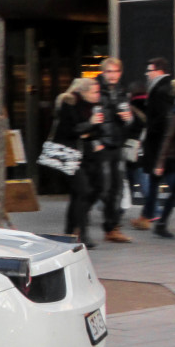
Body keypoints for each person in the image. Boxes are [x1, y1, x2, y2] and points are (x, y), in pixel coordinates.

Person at [54, 78, 106, 248]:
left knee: (86, 192)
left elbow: (95, 130)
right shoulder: (69, 103)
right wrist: (88, 125)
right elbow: (68, 130)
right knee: (82, 191)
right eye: (94, 92)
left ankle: (70, 230)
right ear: (83, 92)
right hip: (68, 153)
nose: (98, 95)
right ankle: (82, 233)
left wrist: (88, 130)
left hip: (87, 154)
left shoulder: (93, 107)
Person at [95, 57, 133, 243]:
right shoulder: (95, 90)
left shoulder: (122, 91)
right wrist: (96, 141)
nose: (112, 75)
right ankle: (80, 225)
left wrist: (128, 119)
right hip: (101, 145)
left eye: (115, 72)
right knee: (103, 187)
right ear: (103, 72)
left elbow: (129, 120)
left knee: (117, 188)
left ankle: (112, 227)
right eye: (109, 72)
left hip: (117, 144)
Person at [133, 57, 173, 230]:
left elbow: (163, 119)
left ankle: (153, 217)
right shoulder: (163, 87)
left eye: (149, 70)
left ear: (158, 70)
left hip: (160, 145)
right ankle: (148, 215)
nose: (147, 74)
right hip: (160, 144)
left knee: (166, 179)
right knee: (155, 180)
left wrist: (151, 133)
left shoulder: (161, 89)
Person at [151, 96, 175, 238]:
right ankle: (161, 224)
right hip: (173, 160)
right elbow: (167, 139)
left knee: (174, 194)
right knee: (173, 192)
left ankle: (161, 224)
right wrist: (160, 163)